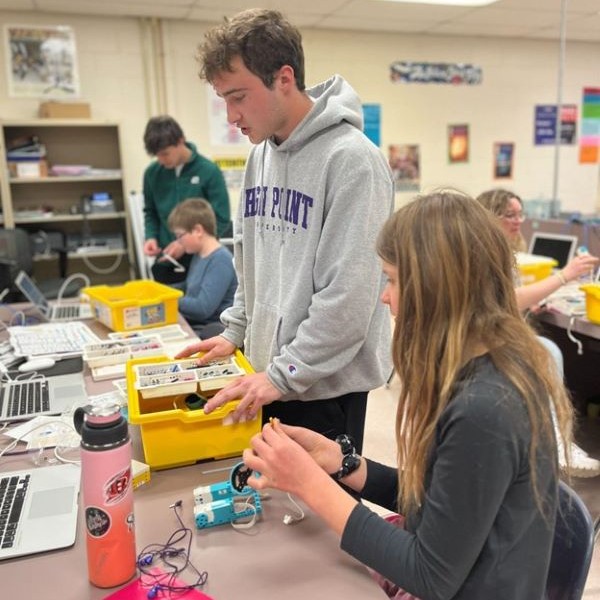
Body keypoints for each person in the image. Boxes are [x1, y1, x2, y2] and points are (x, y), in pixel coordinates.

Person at [242, 191, 574, 600]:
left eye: (393, 280)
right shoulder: (479, 374)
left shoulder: (486, 408)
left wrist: (311, 484)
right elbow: (443, 504)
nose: (385, 296)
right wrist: (344, 464)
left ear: (435, 290)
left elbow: (429, 574)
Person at [176, 8, 394, 454]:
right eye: (224, 100)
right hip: (270, 375)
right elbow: (250, 263)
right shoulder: (261, 155)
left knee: (319, 517)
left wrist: (282, 374)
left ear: (284, 78)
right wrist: (235, 331)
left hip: (323, 388)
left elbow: (349, 296)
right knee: (271, 511)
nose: (232, 115)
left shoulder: (353, 161)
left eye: (238, 97)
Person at [477, 187, 600, 478]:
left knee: (547, 348)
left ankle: (555, 439)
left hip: (497, 330)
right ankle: (555, 440)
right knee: (547, 351)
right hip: (484, 336)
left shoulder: (507, 252)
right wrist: (563, 276)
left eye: (521, 214)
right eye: (510, 215)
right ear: (491, 216)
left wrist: (535, 300)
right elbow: (506, 300)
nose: (518, 220)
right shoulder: (485, 254)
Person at [142, 115, 231, 284]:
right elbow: (150, 212)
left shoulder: (209, 171)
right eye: (157, 156)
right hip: (168, 258)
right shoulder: (152, 174)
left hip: (202, 258)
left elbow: (221, 218)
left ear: (181, 141)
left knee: (198, 306)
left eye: (165, 154)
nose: (161, 160)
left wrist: (184, 244)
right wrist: (151, 237)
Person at [167, 198, 237, 339]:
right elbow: (189, 286)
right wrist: (163, 290)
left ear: (198, 230)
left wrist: (166, 300)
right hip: (195, 325)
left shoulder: (221, 261)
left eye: (180, 236)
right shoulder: (199, 255)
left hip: (208, 331)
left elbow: (202, 308)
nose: (178, 242)